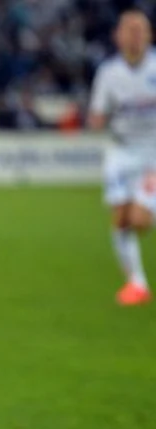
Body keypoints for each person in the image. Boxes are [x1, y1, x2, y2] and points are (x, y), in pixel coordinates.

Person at [89, 9, 156, 306]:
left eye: (139, 29)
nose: (134, 35)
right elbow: (96, 115)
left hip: (153, 152)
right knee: (120, 220)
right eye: (128, 29)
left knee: (140, 219)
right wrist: (99, 119)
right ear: (117, 36)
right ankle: (137, 284)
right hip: (121, 151)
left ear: (149, 35)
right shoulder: (108, 73)